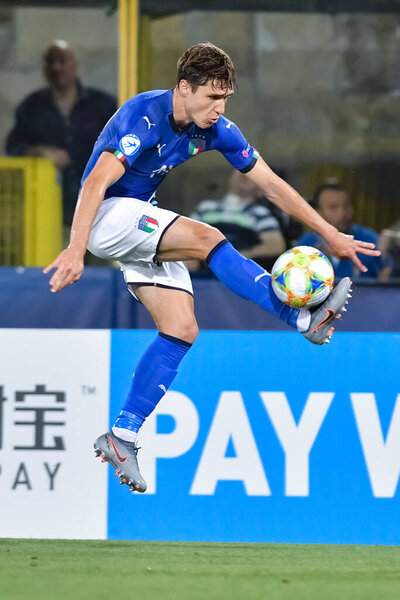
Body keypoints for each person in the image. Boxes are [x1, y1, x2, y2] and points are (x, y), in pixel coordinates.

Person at [43, 43, 379, 494]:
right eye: (212, 98)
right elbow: (94, 183)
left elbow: (272, 186)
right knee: (207, 238)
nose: (219, 109)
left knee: (181, 328)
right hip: (107, 215)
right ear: (184, 88)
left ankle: (122, 436)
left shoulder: (217, 129)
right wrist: (75, 249)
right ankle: (301, 316)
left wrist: (330, 234)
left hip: (139, 219)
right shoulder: (142, 114)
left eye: (225, 99)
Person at [6, 39, 117, 234]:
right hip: (47, 214)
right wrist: (38, 152)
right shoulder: (31, 108)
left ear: (74, 64)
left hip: (100, 208)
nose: (56, 68)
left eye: (62, 61)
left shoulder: (102, 105)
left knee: (103, 261)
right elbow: (13, 147)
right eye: (51, 62)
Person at [190, 170, 286, 270]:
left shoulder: (260, 213)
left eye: (253, 173)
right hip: (203, 272)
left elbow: (276, 245)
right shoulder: (205, 207)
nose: (245, 173)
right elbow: (187, 236)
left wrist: (244, 255)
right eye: (240, 167)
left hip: (236, 272)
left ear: (260, 191)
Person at [297, 181, 386, 280]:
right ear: (318, 212)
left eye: (346, 205)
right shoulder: (307, 245)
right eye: (333, 207)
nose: (342, 213)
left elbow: (387, 280)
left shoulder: (370, 240)